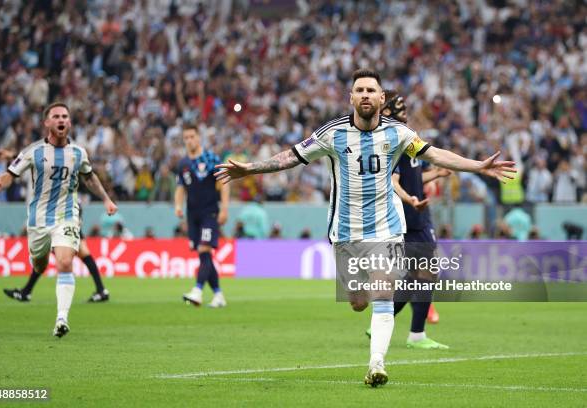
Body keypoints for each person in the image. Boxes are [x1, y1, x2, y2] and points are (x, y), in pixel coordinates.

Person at [215, 69, 516, 387]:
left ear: (381, 97)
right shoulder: (333, 134)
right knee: (358, 302)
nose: (365, 95)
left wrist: (478, 165)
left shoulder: (398, 134)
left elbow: (435, 154)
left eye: (371, 90)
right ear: (351, 98)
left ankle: (377, 364)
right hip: (345, 232)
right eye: (359, 90)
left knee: (383, 293)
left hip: (386, 228)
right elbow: (291, 156)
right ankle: (371, 316)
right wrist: (250, 169)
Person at [0, 102, 117, 338]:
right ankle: (35, 271)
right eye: (56, 116)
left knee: (65, 262)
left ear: (69, 122)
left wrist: (107, 199)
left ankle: (62, 318)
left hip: (67, 215)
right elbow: (11, 173)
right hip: (38, 220)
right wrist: (1, 181)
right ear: (47, 122)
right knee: (39, 264)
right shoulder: (34, 151)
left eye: (65, 116)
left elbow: (90, 178)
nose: (61, 120)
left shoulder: (78, 153)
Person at [365, 90, 450, 349]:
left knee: (415, 276)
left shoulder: (406, 138)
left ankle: (382, 322)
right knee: (426, 273)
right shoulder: (392, 141)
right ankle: (416, 335)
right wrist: (410, 200)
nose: (404, 108)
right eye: (398, 105)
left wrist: (435, 174)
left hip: (417, 215)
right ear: (387, 110)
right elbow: (394, 182)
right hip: (411, 217)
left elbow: (414, 177)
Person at [175, 124, 230, 308]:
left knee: (204, 250)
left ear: (199, 137)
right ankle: (218, 295)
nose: (189, 140)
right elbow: (180, 187)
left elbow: (224, 183)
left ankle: (197, 291)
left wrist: (224, 209)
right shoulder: (183, 164)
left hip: (210, 212)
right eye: (186, 137)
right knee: (204, 256)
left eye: (192, 136)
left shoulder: (210, 158)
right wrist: (177, 206)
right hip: (193, 215)